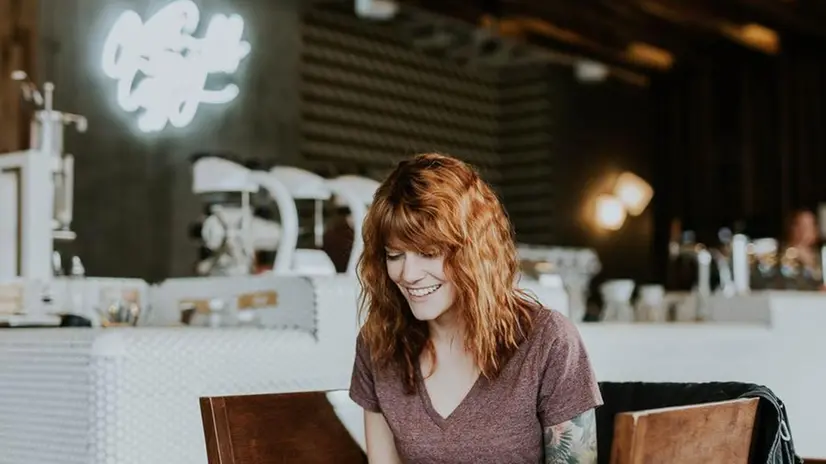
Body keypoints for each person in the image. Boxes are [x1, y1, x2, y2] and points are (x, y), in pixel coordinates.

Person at [349, 153, 603, 463]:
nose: (408, 274)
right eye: (394, 255)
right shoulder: (378, 344)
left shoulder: (548, 341)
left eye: (429, 253)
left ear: (474, 251)